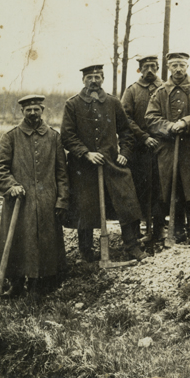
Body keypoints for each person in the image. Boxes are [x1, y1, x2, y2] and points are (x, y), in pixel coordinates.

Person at [61, 64, 149, 262]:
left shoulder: (112, 102)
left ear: (103, 79)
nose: (94, 81)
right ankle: (86, 251)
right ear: (83, 80)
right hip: (83, 167)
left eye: (98, 77)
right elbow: (67, 136)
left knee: (126, 200)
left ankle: (132, 246)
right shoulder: (72, 104)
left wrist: (124, 153)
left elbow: (126, 132)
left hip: (111, 163)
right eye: (90, 77)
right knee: (85, 207)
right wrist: (86, 153)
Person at [0, 95, 69, 297]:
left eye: (36, 109)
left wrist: (62, 199)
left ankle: (39, 286)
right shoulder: (10, 137)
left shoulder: (54, 137)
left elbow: (62, 173)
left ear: (42, 110)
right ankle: (16, 285)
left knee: (46, 242)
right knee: (19, 242)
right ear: (22, 112)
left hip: (47, 202)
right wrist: (11, 186)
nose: (33, 113)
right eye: (28, 110)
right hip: (20, 202)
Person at [145, 53, 190, 246]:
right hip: (167, 149)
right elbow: (150, 118)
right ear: (168, 67)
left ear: (187, 66)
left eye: (181, 65)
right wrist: (169, 126)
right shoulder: (160, 92)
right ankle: (176, 229)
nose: (178, 69)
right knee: (170, 188)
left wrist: (186, 122)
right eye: (174, 66)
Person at [121, 55, 165, 244]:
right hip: (139, 150)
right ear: (139, 69)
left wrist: (160, 136)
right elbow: (125, 118)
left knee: (160, 189)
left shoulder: (165, 89)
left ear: (157, 68)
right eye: (145, 67)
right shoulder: (132, 91)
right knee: (138, 188)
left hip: (162, 147)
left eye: (153, 67)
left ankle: (159, 229)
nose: (149, 70)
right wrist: (144, 137)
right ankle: (137, 230)